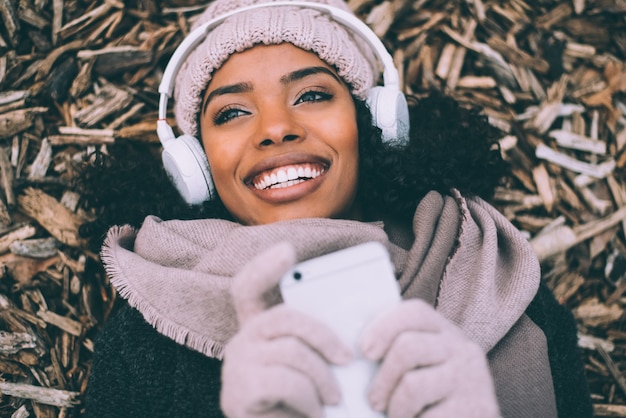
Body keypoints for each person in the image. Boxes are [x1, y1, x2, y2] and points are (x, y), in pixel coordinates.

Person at [82, 0, 592, 417]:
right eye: (233, 112)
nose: (275, 128)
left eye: (311, 95)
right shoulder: (143, 338)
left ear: (373, 125)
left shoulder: (502, 285)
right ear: (195, 165)